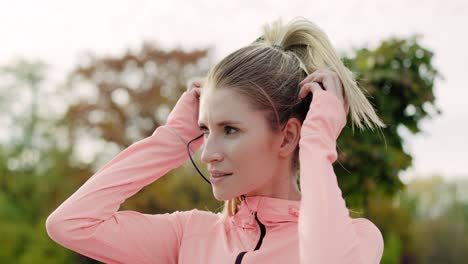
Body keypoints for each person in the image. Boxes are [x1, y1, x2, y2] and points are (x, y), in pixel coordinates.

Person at [46, 16, 385, 263]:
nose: (207, 153)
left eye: (230, 130)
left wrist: (316, 143)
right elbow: (70, 224)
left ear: (288, 137)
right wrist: (174, 138)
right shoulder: (188, 234)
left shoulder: (358, 239)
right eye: (205, 130)